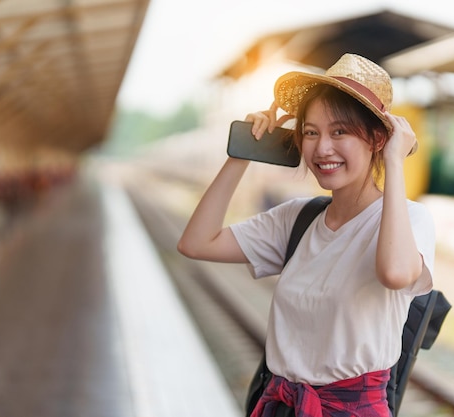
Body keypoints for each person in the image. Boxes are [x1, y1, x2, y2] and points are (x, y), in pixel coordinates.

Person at [177, 53, 435, 417]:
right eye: (311, 132)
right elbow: (196, 243)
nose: (321, 148)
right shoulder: (298, 218)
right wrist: (243, 152)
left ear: (379, 138)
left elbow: (394, 274)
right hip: (281, 407)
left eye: (339, 131)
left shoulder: (410, 220)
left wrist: (395, 162)